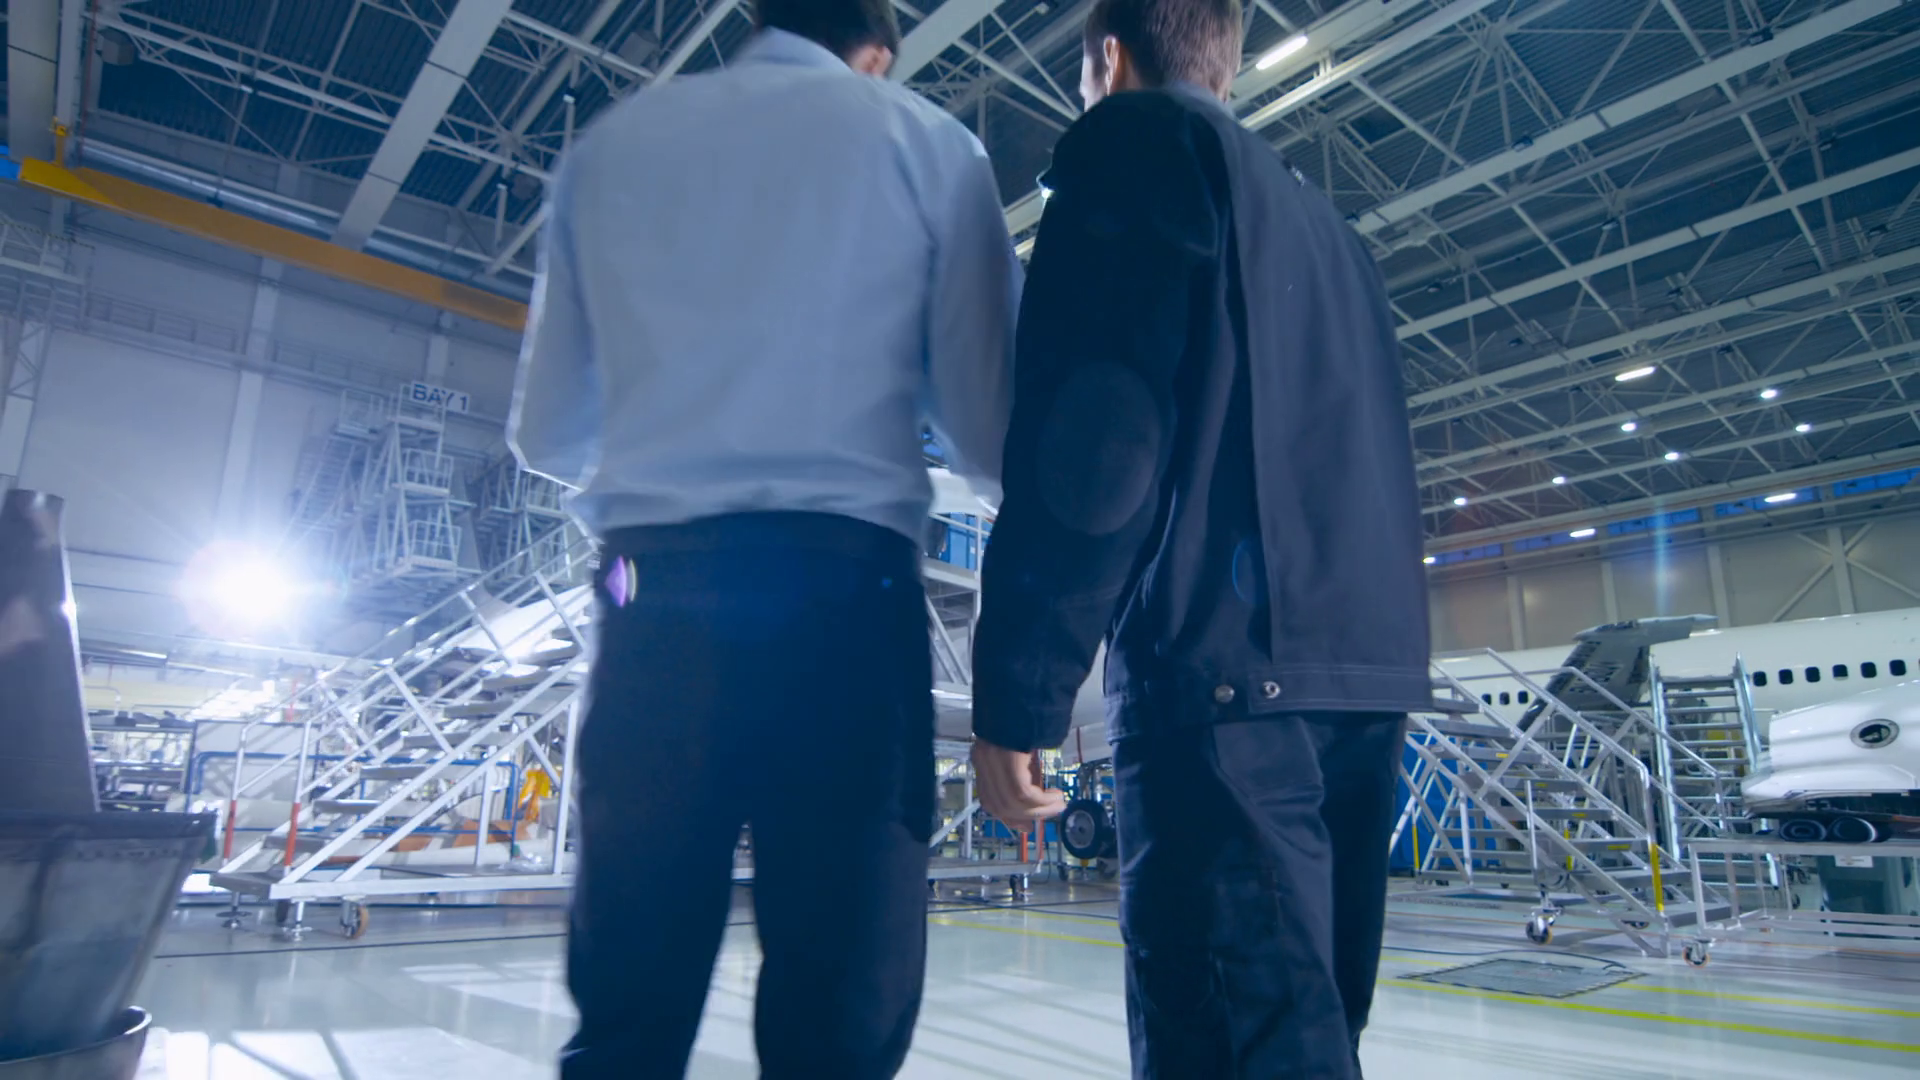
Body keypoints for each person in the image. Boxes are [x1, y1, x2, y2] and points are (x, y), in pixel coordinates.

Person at [507, 0, 1020, 1072]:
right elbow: (989, 427)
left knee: (629, 1002)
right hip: (844, 604)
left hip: (651, 598)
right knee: (841, 1006)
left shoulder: (612, 148)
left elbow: (547, 433)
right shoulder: (927, 144)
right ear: (875, 53)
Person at [967, 0, 1430, 1075]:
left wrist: (1022, 692)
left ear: (1108, 58)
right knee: (1311, 1040)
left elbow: (1100, 444)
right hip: (1359, 689)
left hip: (1223, 694)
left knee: (1231, 1045)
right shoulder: (1331, 232)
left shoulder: (1133, 144)